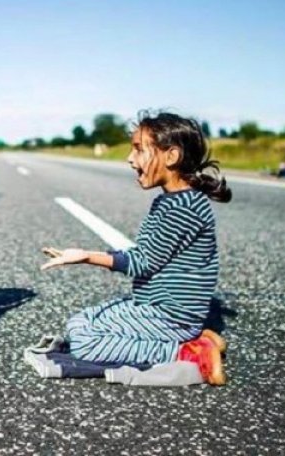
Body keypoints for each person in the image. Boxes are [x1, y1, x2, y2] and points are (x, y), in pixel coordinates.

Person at [40, 112, 232, 385]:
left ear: (171, 156)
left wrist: (85, 256)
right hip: (154, 307)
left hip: (169, 316)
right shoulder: (172, 200)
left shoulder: (183, 208)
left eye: (139, 149)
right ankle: (196, 336)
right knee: (79, 322)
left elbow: (143, 262)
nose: (130, 159)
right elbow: (150, 253)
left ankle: (187, 352)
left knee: (83, 343)